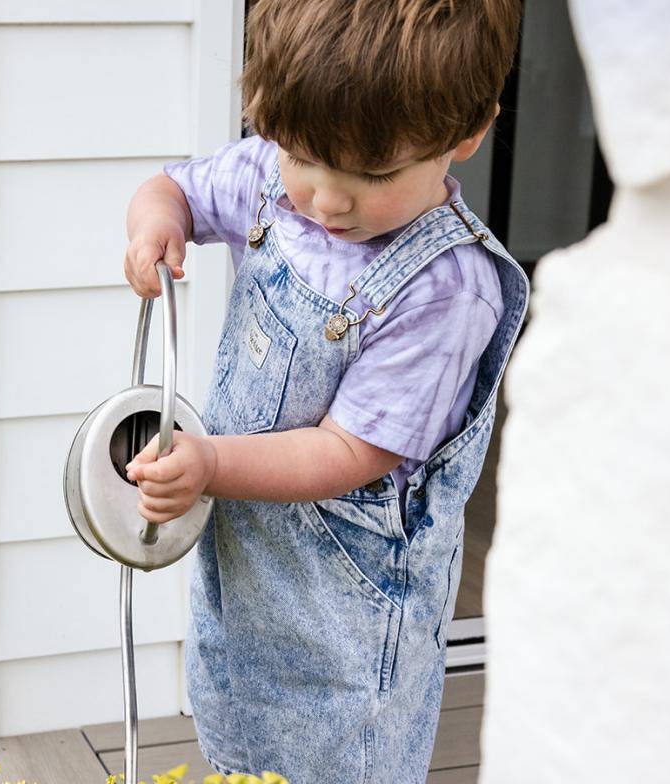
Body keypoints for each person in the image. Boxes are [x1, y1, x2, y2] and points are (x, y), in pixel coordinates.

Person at [121, 1, 526, 781]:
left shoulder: (445, 290)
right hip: (248, 575)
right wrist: (155, 226)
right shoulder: (267, 182)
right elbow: (171, 187)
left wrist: (208, 466)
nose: (328, 199)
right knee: (243, 743)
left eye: (372, 174)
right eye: (303, 156)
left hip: (346, 622)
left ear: (466, 134)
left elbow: (350, 452)